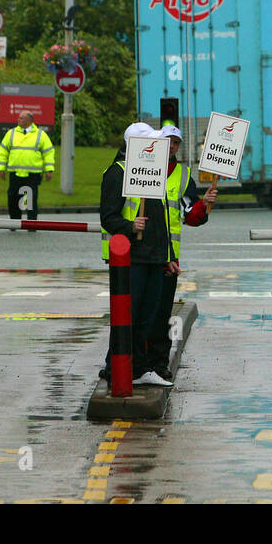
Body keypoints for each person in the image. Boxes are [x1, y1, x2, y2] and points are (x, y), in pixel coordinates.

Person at [100, 122, 174, 387]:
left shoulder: (151, 173)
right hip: (132, 258)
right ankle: (117, 369)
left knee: (147, 318)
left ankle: (140, 369)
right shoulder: (117, 173)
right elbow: (108, 217)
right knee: (127, 317)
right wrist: (131, 227)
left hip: (153, 257)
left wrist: (168, 256)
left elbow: (162, 220)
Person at [144, 125, 216, 382]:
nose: (172, 146)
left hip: (168, 259)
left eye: (176, 143)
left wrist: (204, 205)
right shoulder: (142, 167)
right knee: (143, 313)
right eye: (168, 141)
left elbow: (189, 216)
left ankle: (159, 364)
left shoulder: (185, 175)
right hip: (143, 255)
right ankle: (137, 364)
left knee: (162, 313)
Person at [0, 111, 54, 224]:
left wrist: (49, 170)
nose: (18, 120)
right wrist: (1, 168)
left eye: (22, 118)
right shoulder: (11, 133)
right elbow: (3, 151)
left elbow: (48, 153)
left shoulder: (40, 135)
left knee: (30, 200)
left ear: (29, 120)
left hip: (32, 174)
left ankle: (31, 223)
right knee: (13, 198)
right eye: (19, 118)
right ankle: (14, 222)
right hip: (15, 173)